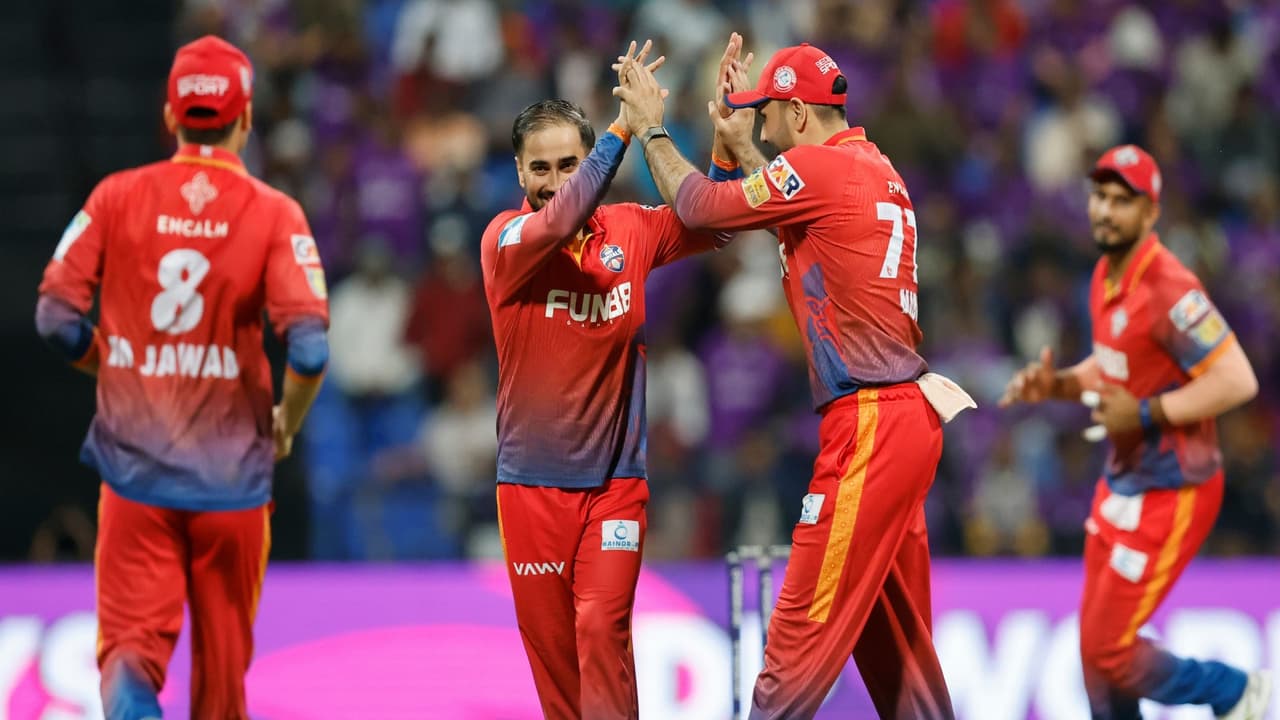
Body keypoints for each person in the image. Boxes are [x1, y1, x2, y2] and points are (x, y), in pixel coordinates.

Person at [615, 41, 973, 720]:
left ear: (800, 114)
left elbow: (697, 207)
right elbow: (797, 215)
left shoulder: (817, 168)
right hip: (903, 419)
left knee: (797, 639)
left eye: (767, 114)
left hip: (869, 421)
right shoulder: (871, 168)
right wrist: (744, 149)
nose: (762, 128)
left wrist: (649, 127)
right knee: (897, 651)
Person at [34, 36, 329, 719]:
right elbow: (310, 351)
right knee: (222, 684)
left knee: (129, 654)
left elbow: (54, 317)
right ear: (247, 119)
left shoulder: (116, 197)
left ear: (170, 115)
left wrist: (106, 359)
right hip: (233, 490)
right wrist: (289, 419)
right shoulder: (275, 213)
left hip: (136, 481)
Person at [481, 39, 739, 720]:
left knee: (600, 628)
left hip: (614, 489)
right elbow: (561, 214)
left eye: (570, 163)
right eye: (541, 168)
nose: (557, 180)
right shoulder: (506, 243)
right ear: (518, 173)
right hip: (529, 495)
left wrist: (724, 140)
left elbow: (710, 226)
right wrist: (626, 125)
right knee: (557, 671)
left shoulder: (630, 229)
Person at [999, 145, 1271, 720]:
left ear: (1151, 213)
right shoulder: (1104, 274)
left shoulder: (1169, 289)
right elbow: (1115, 365)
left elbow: (1236, 379)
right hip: (1125, 479)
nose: (1105, 211)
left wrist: (1146, 415)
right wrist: (1062, 385)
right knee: (1095, 656)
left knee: (1110, 652)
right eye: (1100, 197)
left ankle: (1237, 692)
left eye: (1122, 202)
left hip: (1175, 486)